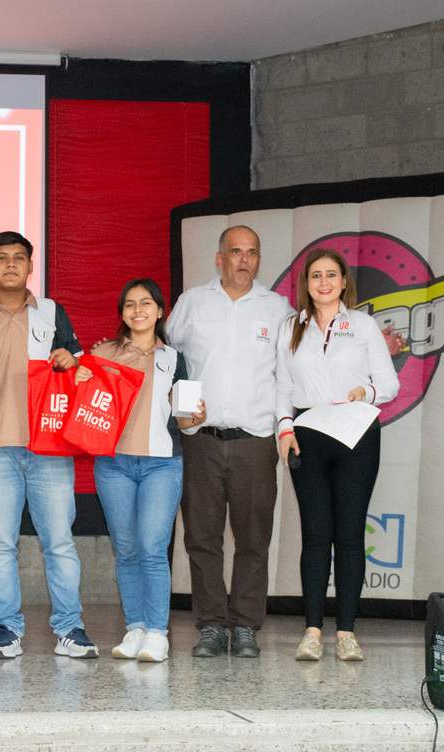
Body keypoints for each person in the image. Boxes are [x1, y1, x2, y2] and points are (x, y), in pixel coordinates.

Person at [0, 231, 98, 660]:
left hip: (49, 444)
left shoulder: (52, 313)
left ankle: (70, 628)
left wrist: (72, 362)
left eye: (19, 257)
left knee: (59, 542)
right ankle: (7, 629)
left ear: (31, 266)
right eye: (1, 258)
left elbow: (77, 367)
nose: (11, 264)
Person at [164, 225, 294, 659]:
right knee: (202, 538)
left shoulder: (277, 309)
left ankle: (244, 626)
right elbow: (169, 360)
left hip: (256, 440)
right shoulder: (192, 304)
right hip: (201, 440)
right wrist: (181, 411)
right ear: (219, 258)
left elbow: (290, 374)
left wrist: (283, 426)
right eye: (235, 252)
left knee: (253, 538)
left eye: (252, 252)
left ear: (259, 259)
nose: (244, 259)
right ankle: (211, 626)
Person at [276, 248, 399, 662]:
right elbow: (281, 387)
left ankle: (346, 632)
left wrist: (367, 392)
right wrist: (284, 428)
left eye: (331, 275)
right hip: (308, 433)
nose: (323, 283)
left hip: (357, 431)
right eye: (315, 276)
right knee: (315, 535)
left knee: (348, 535)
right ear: (306, 284)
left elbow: (390, 384)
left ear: (344, 281)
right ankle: (312, 631)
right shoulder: (290, 327)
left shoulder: (363, 325)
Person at [81, 279, 201, 663]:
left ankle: (157, 632)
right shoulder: (103, 352)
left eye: (146, 303)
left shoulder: (176, 359)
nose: (138, 310)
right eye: (129, 304)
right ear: (122, 313)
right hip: (113, 463)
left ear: (161, 310)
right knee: (127, 549)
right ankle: (134, 628)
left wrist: (195, 417)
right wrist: (80, 377)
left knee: (151, 548)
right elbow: (84, 402)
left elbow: (186, 420)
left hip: (161, 464)